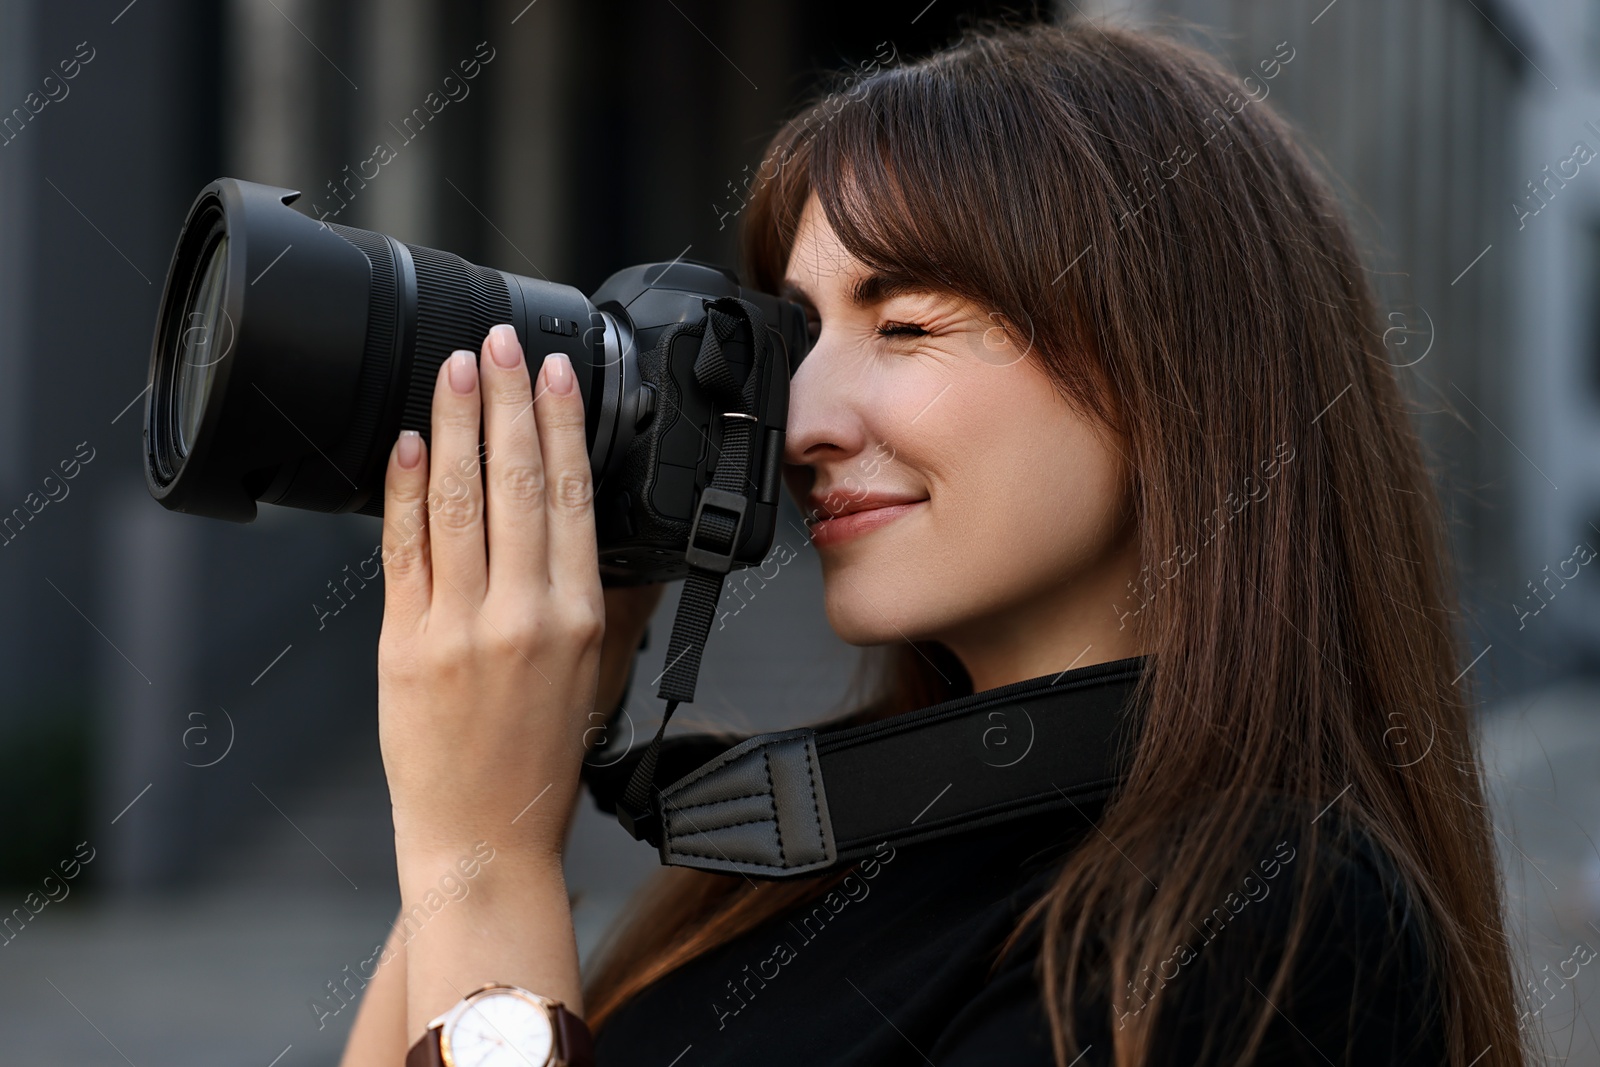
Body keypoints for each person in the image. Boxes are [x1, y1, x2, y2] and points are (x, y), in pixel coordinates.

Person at [339, 18, 1527, 1067]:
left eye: (905, 324)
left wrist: (488, 867)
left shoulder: (1277, 922)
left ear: (1180, 374)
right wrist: (496, 815)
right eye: (794, 341)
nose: (800, 422)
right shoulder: (819, 845)